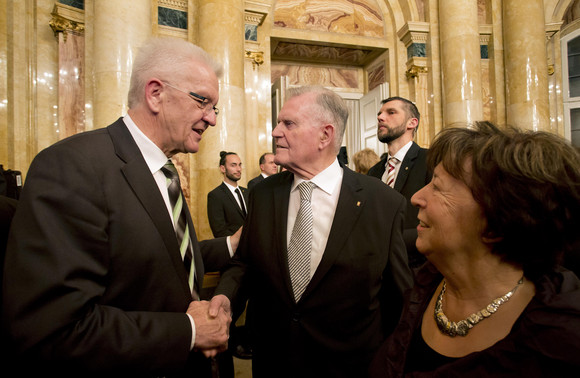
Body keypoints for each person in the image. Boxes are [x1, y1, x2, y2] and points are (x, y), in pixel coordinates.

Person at [2, 37, 236, 377]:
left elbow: (160, 264)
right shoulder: (73, 166)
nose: (212, 119)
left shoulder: (165, 172)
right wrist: (188, 331)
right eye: (203, 102)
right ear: (155, 94)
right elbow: (50, 330)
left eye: (215, 107)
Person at [209, 85, 414, 378]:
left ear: (325, 135)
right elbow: (245, 262)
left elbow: (398, 299)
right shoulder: (263, 194)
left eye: (288, 124)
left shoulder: (382, 202)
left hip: (350, 367)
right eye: (279, 123)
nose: (276, 132)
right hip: (274, 363)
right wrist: (226, 298)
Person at [369, 121, 580, 377]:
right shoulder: (424, 284)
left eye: (437, 187)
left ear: (496, 224)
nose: (416, 198)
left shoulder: (559, 340)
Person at [368, 96, 431, 269]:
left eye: (391, 112)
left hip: (418, 268)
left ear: (412, 122)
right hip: (379, 269)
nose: (381, 117)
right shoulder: (374, 172)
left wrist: (390, 243)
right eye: (380, 114)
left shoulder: (430, 160)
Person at [207, 151, 248, 238]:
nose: (238, 169)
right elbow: (219, 231)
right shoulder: (215, 195)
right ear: (223, 168)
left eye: (239, 165)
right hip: (234, 249)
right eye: (233, 165)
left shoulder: (247, 192)